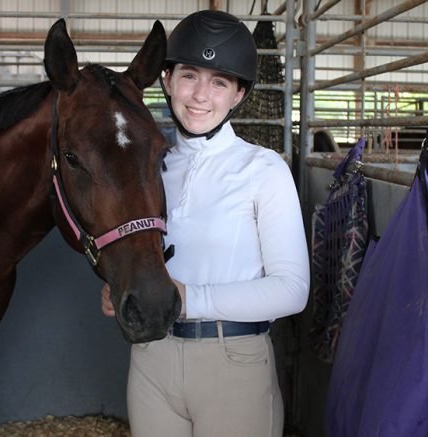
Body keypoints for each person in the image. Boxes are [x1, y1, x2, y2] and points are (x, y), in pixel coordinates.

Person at [101, 9, 310, 437]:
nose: (199, 95)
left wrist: (189, 298)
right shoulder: (147, 168)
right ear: (167, 80)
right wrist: (118, 286)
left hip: (233, 361)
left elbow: (292, 290)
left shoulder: (264, 169)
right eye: (189, 76)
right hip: (152, 358)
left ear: (238, 95)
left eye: (219, 82)